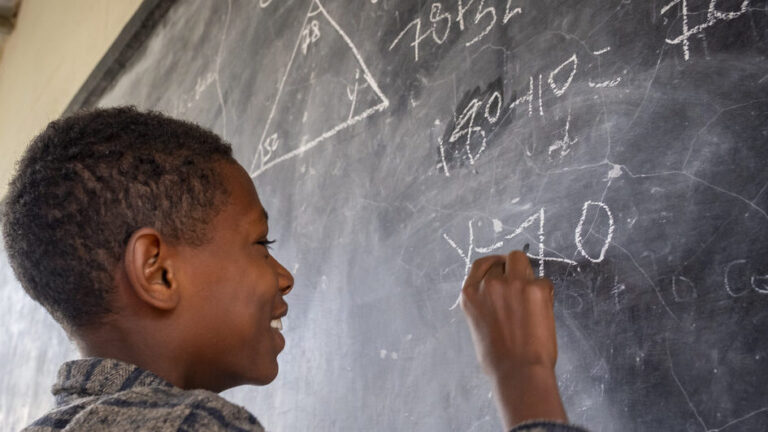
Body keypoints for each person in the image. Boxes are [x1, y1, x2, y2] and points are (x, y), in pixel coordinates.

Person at [2, 107, 587, 432]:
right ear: (158, 273)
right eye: (261, 243)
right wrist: (525, 372)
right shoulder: (192, 426)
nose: (284, 276)